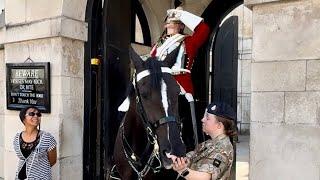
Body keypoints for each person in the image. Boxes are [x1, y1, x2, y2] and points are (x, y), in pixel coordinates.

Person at [171, 102, 236, 180]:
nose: (202, 120)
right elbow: (193, 157)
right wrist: (181, 160)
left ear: (219, 125)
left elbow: (205, 177)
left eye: (207, 118)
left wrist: (182, 170)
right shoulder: (209, 143)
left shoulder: (222, 149)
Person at [13, 106, 57, 180]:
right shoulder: (17, 138)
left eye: (38, 114)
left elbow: (52, 161)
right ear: (23, 118)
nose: (36, 116)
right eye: (32, 113)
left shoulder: (47, 137)